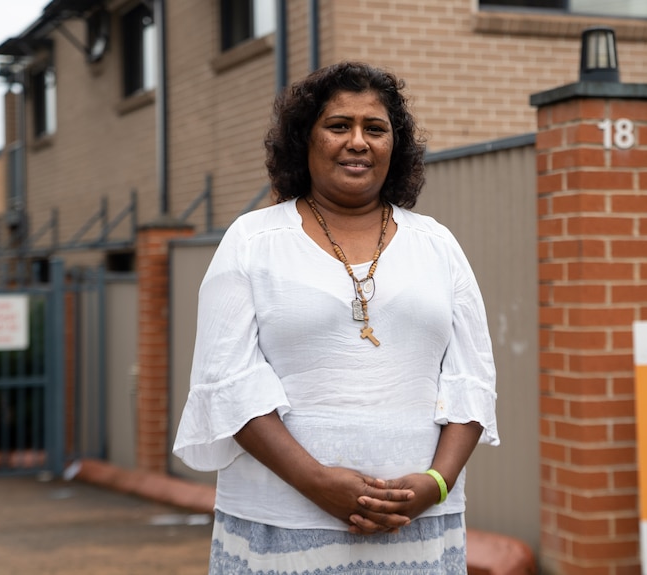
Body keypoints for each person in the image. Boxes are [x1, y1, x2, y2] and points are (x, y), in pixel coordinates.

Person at [173, 61, 499, 575]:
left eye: (375, 129)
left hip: (416, 527)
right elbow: (226, 382)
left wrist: (435, 484)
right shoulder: (253, 242)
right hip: (280, 525)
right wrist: (317, 482)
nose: (358, 142)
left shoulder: (438, 245)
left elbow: (472, 380)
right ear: (305, 139)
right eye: (338, 125)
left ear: (397, 146)